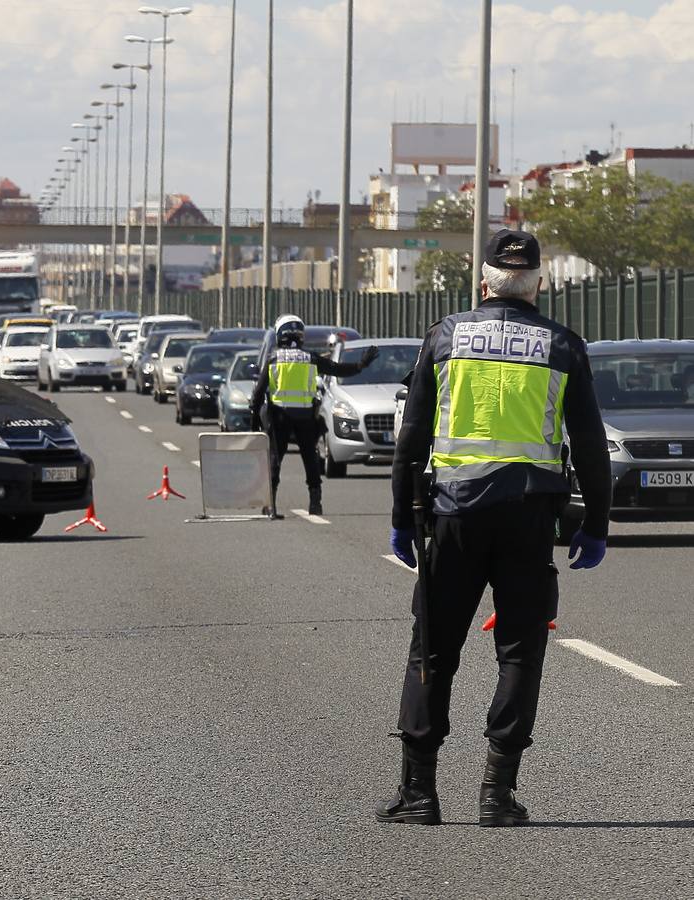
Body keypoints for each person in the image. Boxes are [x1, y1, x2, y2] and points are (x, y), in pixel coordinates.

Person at [379, 229, 611, 828]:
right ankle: (496, 796)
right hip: (530, 518)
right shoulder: (563, 345)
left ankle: (418, 794)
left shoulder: (447, 335)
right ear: (538, 283)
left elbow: (413, 436)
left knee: (432, 649)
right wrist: (598, 524)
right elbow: (589, 444)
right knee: (519, 652)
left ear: (482, 282)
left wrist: (402, 514)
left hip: (453, 515)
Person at [249, 314, 378, 516]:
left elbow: (258, 393)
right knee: (310, 458)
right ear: (301, 335)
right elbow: (337, 370)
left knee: (275, 459)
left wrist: (254, 419)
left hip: (279, 417)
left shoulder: (273, 359)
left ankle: (271, 505)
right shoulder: (310, 358)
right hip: (305, 417)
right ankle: (315, 503)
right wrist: (361, 365)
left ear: (279, 335)